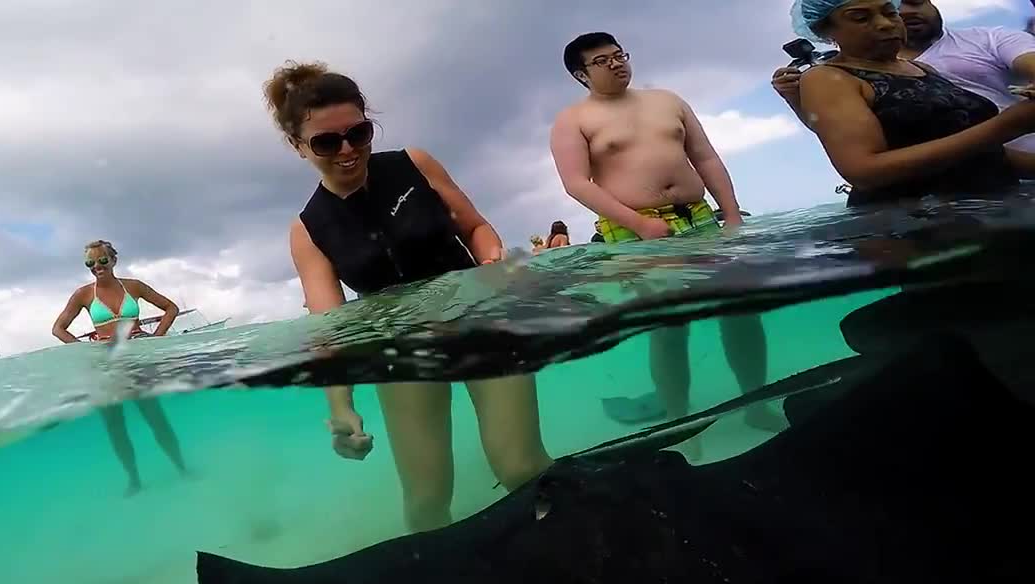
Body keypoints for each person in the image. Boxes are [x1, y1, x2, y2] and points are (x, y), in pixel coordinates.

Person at [264, 60, 553, 532]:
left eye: (359, 133)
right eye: (325, 142)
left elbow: (475, 227)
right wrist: (340, 407)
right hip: (400, 350)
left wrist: (492, 262)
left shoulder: (414, 164)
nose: (347, 150)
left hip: (480, 320)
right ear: (298, 146)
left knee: (520, 467)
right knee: (427, 501)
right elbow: (329, 327)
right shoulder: (308, 229)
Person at [549, 32, 785, 460]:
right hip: (635, 228)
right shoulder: (574, 120)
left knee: (741, 311)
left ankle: (758, 403)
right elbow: (576, 183)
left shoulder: (667, 101)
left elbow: (705, 156)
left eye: (620, 55)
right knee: (670, 327)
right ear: (581, 75)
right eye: (603, 61)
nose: (618, 63)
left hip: (700, 216)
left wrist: (730, 214)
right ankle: (683, 422)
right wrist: (638, 222)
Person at [782, 0, 1035, 207]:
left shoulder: (920, 69)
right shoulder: (827, 78)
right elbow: (864, 171)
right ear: (826, 31)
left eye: (889, 12)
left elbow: (983, 154)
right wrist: (1006, 127)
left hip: (991, 207)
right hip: (914, 229)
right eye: (860, 17)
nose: (884, 24)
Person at [52, 239, 188, 495]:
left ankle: (182, 469)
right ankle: (134, 480)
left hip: (136, 362)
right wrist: (87, 350)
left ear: (114, 260)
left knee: (156, 418)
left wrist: (156, 338)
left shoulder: (133, 286)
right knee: (116, 427)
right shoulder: (83, 294)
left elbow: (171, 308)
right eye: (90, 263)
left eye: (102, 261)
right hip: (105, 367)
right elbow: (58, 329)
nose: (97, 267)